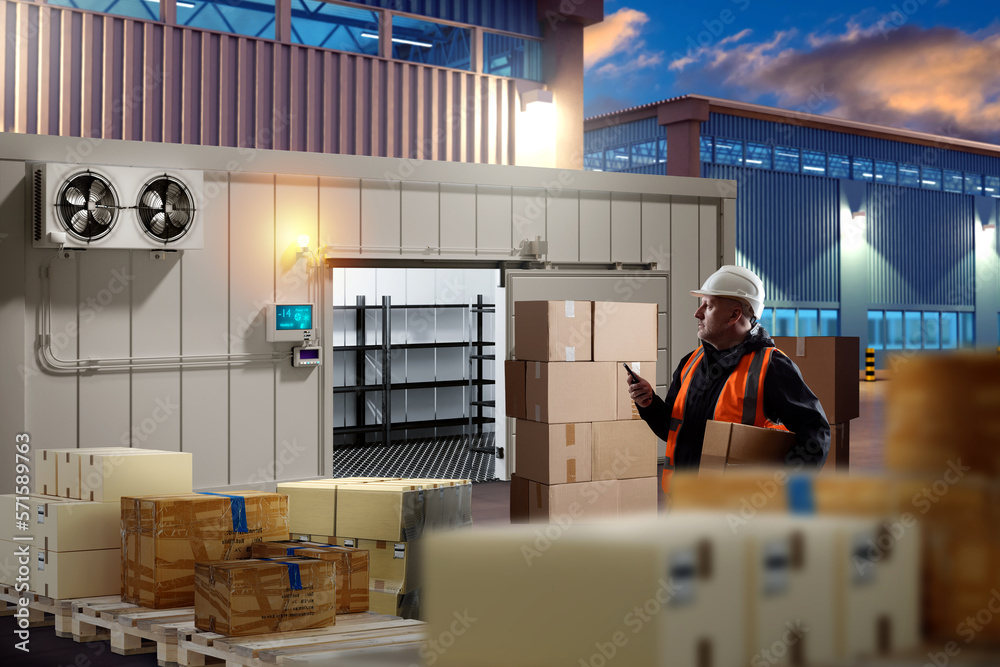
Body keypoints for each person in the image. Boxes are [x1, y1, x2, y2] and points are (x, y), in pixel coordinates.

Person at [627, 265, 830, 493]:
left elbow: (815, 436)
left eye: (709, 305)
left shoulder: (772, 367)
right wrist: (650, 404)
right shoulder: (690, 363)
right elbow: (672, 431)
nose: (698, 313)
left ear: (734, 315)